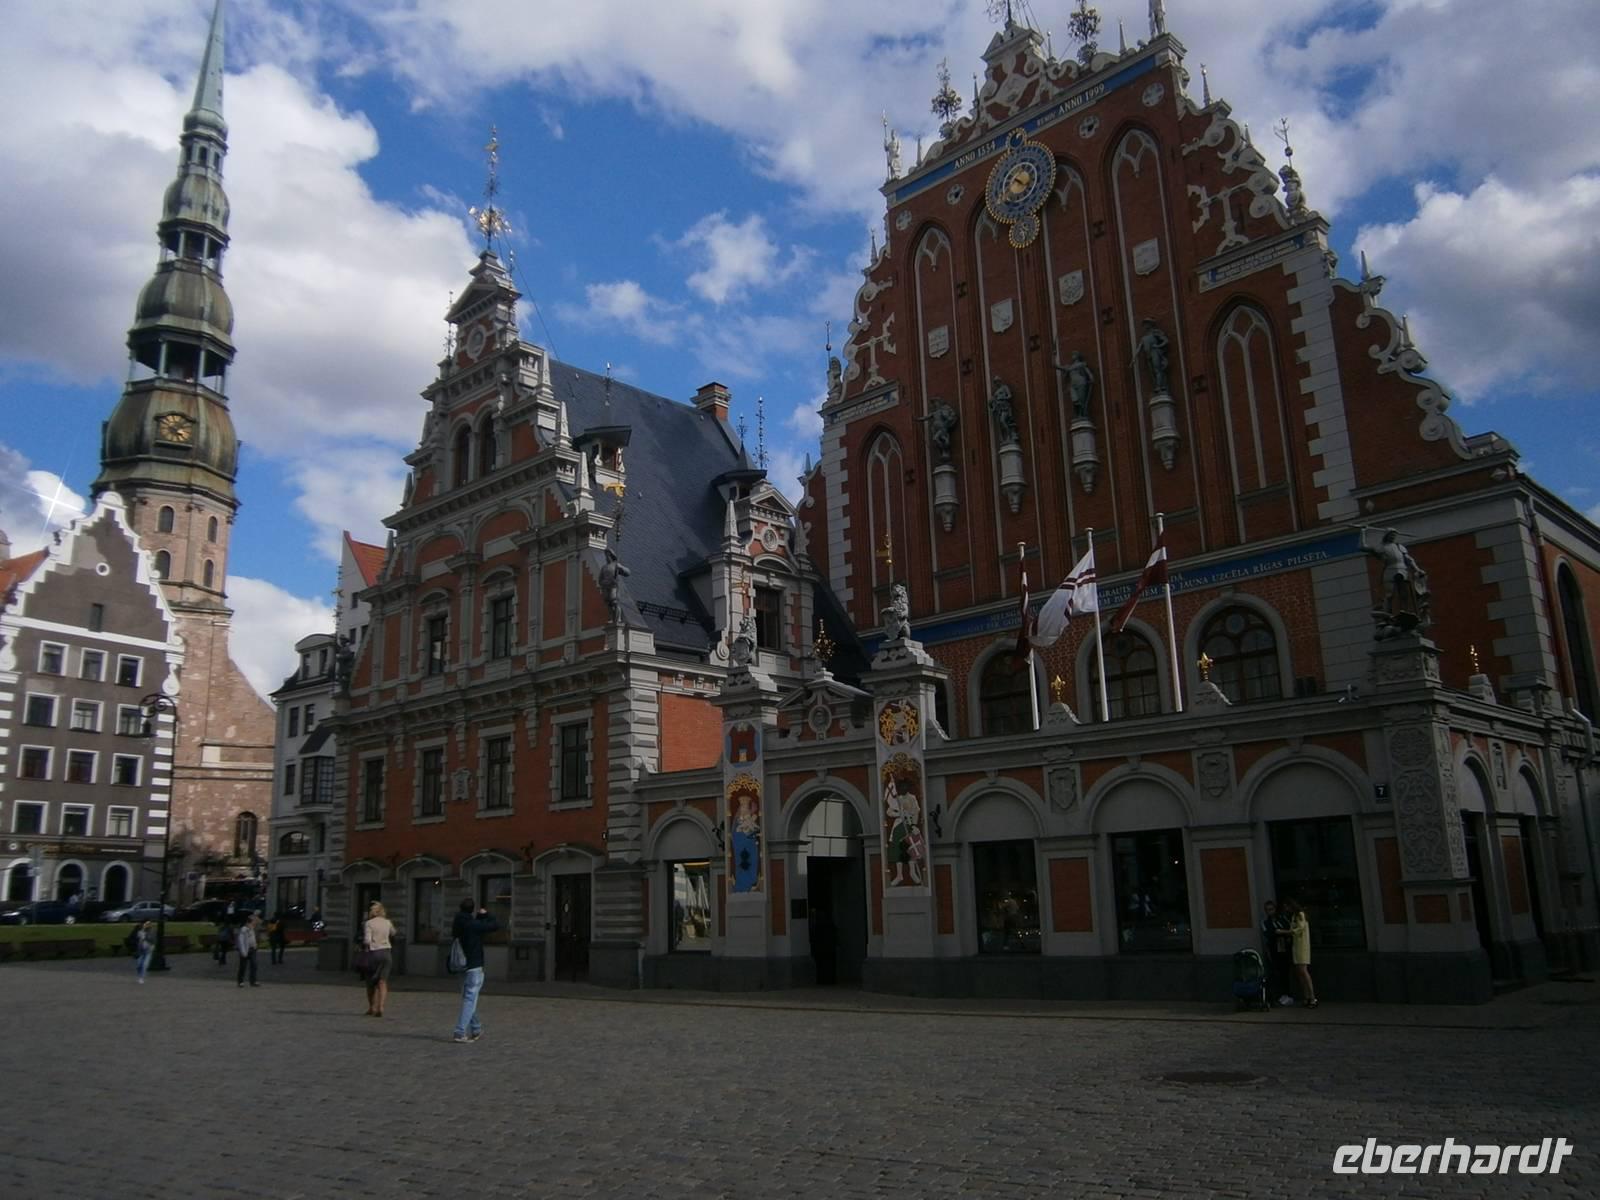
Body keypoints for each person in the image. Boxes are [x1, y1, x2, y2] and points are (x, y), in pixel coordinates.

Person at [451, 898, 501, 1043]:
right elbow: (494, 925)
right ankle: (460, 1032)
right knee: (470, 998)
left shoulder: (458, 923)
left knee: (467, 998)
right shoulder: (473, 924)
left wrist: (479, 918)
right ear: (472, 910)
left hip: (460, 965)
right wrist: (486, 914)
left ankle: (476, 1027)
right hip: (474, 965)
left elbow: (475, 927)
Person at [362, 901, 394, 1018]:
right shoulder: (388, 922)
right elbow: (393, 933)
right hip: (386, 953)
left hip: (374, 953)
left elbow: (367, 940)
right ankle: (381, 1006)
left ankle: (372, 1007)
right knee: (383, 981)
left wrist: (366, 948)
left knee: (370, 982)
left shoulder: (369, 923)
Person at [1285, 899, 1318, 1009]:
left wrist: (1286, 932)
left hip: (1302, 946)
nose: (1286, 909)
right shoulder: (1294, 916)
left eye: (1287, 907)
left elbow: (1300, 928)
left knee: (1303, 971)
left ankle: (1312, 997)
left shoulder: (1300, 914)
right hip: (1296, 946)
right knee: (1300, 972)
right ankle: (1307, 997)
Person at [1260, 900, 1292, 1006]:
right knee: (1275, 973)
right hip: (1273, 950)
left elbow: (1289, 929)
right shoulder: (1265, 922)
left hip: (1284, 949)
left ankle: (1287, 994)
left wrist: (1280, 933)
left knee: (1285, 973)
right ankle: (1277, 996)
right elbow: (1269, 934)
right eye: (1268, 910)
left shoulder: (1282, 919)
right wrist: (1278, 933)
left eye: (1271, 909)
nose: (1270, 912)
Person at [235, 914, 260, 988]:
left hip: (253, 949)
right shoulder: (244, 929)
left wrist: (255, 945)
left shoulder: (253, 929)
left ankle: (253, 981)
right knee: (243, 966)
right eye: (254, 921)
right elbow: (241, 941)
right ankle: (240, 981)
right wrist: (243, 951)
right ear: (251, 921)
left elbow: (253, 938)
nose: (256, 922)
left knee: (254, 965)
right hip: (246, 950)